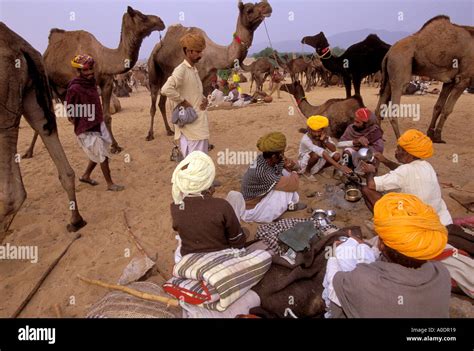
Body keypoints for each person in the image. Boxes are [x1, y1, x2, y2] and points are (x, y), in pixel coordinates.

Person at [323, 192, 451, 318]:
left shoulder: (364, 281)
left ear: (381, 245)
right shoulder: (442, 272)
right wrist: (363, 246)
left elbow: (335, 284)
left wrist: (333, 254)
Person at [360, 129, 452, 226]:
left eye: (399, 149)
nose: (396, 152)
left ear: (408, 153)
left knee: (366, 190)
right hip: (439, 219)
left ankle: (388, 224)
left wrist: (370, 172)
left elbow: (371, 185)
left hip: (415, 223)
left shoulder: (404, 171)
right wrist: (385, 161)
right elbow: (403, 170)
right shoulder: (427, 166)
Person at [170, 151, 247, 263]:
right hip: (221, 258)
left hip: (190, 258)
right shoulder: (222, 206)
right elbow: (238, 242)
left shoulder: (176, 206)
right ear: (209, 185)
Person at [66, 54, 124, 191]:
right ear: (79, 72)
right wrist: (82, 121)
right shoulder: (74, 88)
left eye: (91, 69)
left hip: (98, 123)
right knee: (102, 154)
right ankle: (110, 184)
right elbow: (70, 112)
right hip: (86, 128)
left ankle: (86, 175)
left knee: (98, 151)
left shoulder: (91, 83)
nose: (90, 72)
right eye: (85, 70)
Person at [227, 132, 305, 223]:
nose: (283, 155)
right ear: (274, 156)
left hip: (263, 192)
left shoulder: (265, 158)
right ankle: (281, 210)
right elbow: (294, 185)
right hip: (252, 208)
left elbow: (289, 165)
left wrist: (290, 165)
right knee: (286, 188)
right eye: (282, 152)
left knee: (285, 174)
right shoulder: (261, 172)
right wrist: (294, 171)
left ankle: (288, 204)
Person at [162, 33, 209, 157]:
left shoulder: (193, 69)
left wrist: (204, 100)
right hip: (193, 129)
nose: (200, 55)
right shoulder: (181, 69)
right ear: (188, 51)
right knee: (196, 166)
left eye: (201, 51)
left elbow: (193, 91)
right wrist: (183, 101)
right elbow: (166, 89)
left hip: (197, 126)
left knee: (193, 165)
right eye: (198, 52)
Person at [298, 115, 352, 179]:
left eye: (319, 131)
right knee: (315, 155)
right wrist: (339, 166)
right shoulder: (306, 139)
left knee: (337, 155)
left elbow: (333, 149)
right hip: (306, 160)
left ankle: (320, 169)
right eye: (314, 131)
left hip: (321, 157)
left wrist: (324, 140)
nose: (317, 134)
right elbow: (320, 152)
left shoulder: (324, 136)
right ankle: (307, 172)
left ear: (323, 130)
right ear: (309, 130)